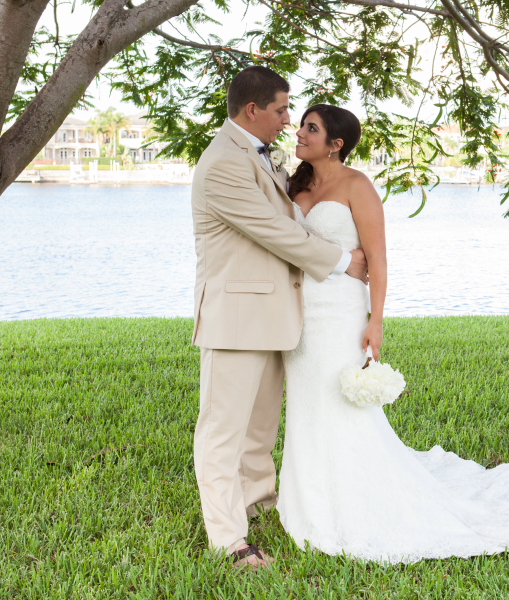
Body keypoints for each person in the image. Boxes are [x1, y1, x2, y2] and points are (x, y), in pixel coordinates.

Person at [277, 104, 509, 563]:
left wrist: (376, 320)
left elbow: (378, 260)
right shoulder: (295, 183)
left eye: (311, 128)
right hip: (300, 311)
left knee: (339, 405)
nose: (299, 133)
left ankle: (352, 499)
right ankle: (307, 497)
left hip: (340, 313)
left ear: (336, 143)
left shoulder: (357, 186)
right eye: (301, 124)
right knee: (307, 405)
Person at [190, 67, 368, 569]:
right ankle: (229, 538)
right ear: (254, 111)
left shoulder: (258, 156)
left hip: (271, 313)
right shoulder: (224, 161)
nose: (288, 120)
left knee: (260, 425)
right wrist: (340, 260)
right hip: (237, 315)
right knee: (223, 430)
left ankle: (258, 499)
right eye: (282, 110)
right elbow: (272, 229)